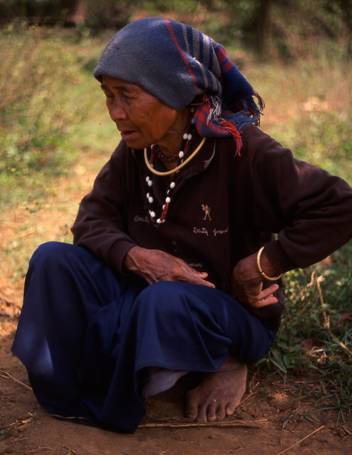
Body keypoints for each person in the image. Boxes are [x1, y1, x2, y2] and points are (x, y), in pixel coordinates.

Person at [12, 17, 352, 433]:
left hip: (224, 313)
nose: (115, 113)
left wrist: (262, 264)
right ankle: (76, 392)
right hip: (144, 297)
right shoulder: (138, 150)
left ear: (174, 91)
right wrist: (138, 257)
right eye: (108, 96)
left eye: (127, 96)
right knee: (52, 259)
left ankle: (227, 361)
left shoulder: (244, 151)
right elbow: (91, 219)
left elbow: (340, 205)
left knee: (165, 301)